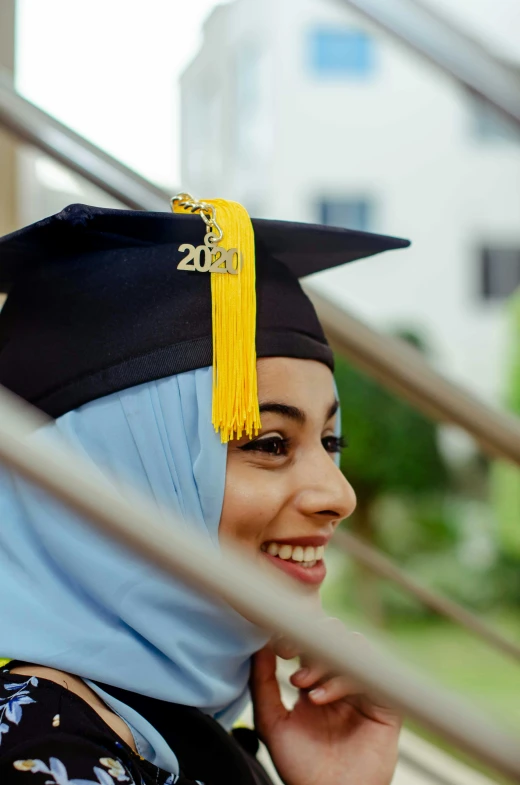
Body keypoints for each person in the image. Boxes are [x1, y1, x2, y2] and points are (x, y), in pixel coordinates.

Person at [0, 196, 409, 785]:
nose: (338, 494)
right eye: (269, 443)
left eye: (330, 442)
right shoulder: (43, 753)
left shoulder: (159, 725)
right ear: (114, 474)